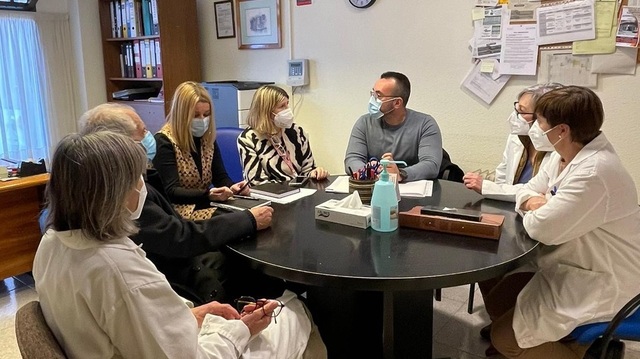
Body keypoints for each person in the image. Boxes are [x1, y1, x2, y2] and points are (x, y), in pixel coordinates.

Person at [34, 131, 317, 358]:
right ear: (114, 193)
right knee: (295, 310)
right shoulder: (120, 272)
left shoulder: (50, 245)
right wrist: (242, 330)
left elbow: (132, 325)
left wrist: (192, 314)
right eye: (137, 180)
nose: (142, 188)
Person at [485, 86, 640, 359]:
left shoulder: (594, 172)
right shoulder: (561, 155)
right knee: (499, 300)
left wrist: (539, 206)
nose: (534, 127)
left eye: (539, 122)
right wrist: (535, 202)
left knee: (504, 339)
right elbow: (528, 189)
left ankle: (576, 351)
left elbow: (542, 229)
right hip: (570, 263)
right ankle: (573, 345)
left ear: (562, 130)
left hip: (604, 279)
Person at [79, 103, 279, 305]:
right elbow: (179, 237)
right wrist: (248, 219)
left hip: (176, 252)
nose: (150, 136)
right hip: (177, 275)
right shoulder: (125, 194)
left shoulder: (120, 180)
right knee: (248, 265)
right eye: (143, 132)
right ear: (122, 145)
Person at [153, 81, 249, 220]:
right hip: (177, 211)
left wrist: (233, 187)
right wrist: (208, 194)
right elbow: (171, 191)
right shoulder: (164, 141)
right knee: (237, 221)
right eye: (195, 115)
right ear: (182, 115)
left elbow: (220, 177)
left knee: (247, 214)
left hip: (205, 204)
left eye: (206, 114)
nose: (202, 120)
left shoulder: (207, 139)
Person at [463, 83, 563, 202]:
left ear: (542, 117)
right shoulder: (517, 138)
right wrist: (496, 194)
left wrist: (489, 188)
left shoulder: (560, 150)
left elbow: (538, 192)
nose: (515, 116)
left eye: (522, 111)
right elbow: (502, 175)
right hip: (511, 204)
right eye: (517, 108)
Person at [344, 71, 442, 182]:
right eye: (372, 94)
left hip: (412, 193)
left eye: (378, 96)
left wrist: (400, 174)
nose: (372, 100)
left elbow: (431, 165)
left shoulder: (425, 124)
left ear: (397, 103)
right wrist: (370, 172)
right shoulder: (364, 123)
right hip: (372, 189)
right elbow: (352, 159)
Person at [237, 85, 328, 185]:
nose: (287, 110)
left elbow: (308, 169)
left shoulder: (296, 131)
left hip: (300, 193)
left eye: (287, 104)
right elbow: (256, 183)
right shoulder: (248, 139)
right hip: (272, 196)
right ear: (266, 111)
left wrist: (315, 173)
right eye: (282, 106)